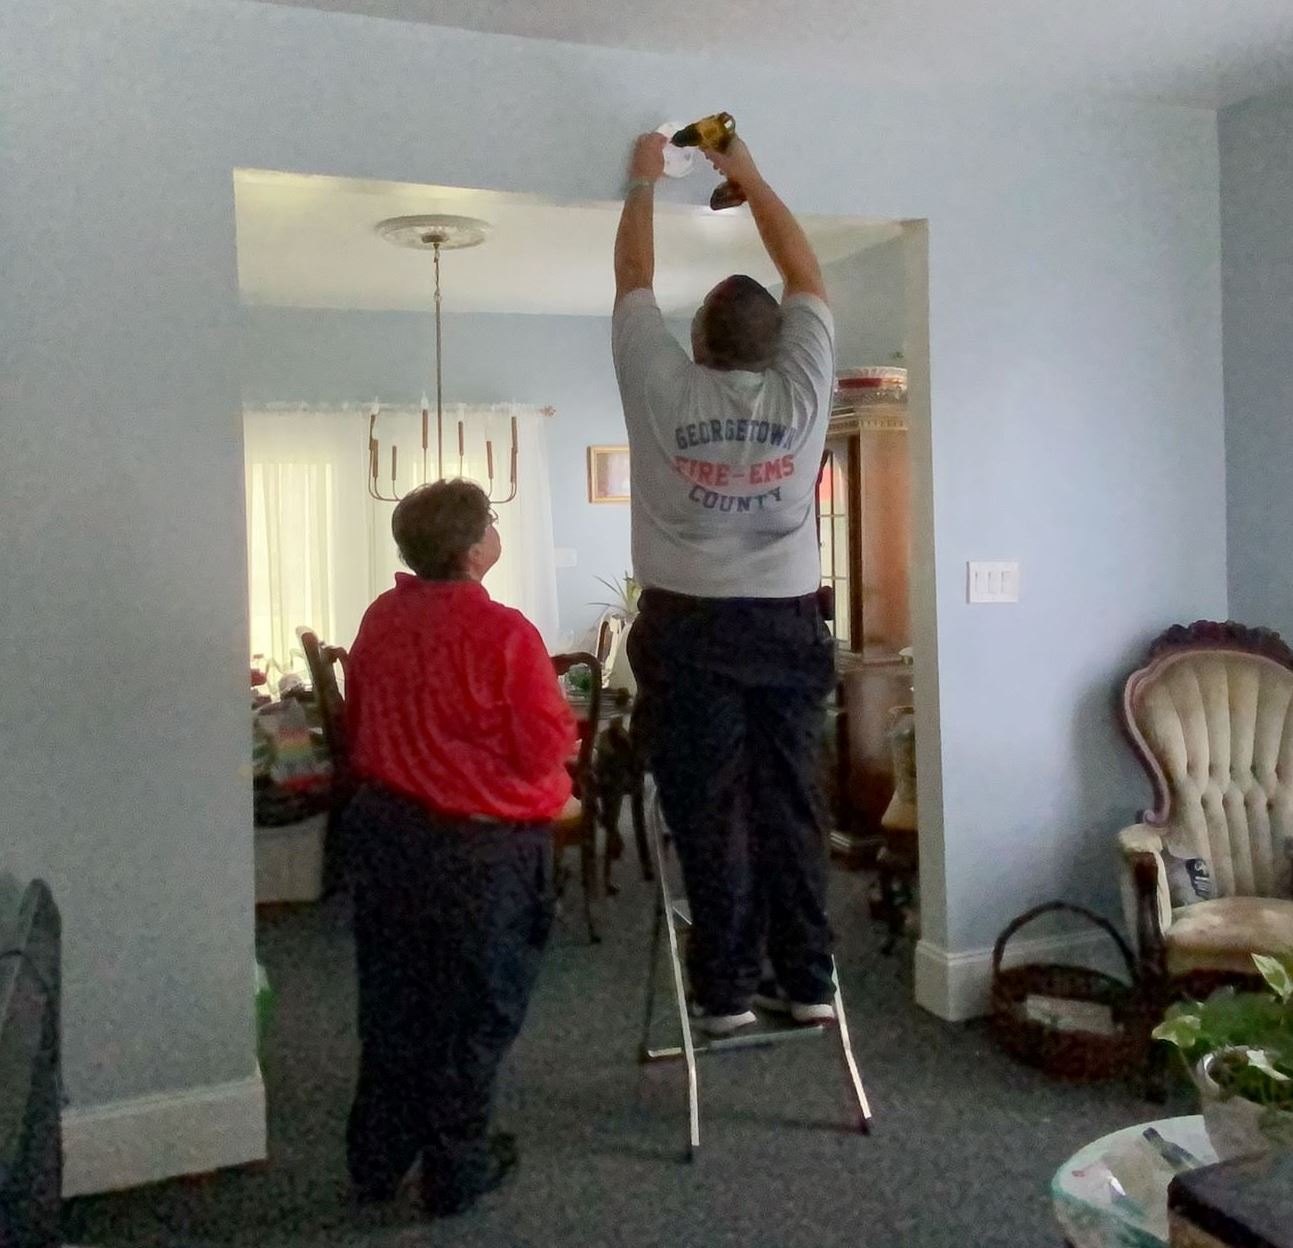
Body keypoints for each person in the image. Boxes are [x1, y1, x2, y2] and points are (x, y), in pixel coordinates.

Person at [612, 130, 838, 1036]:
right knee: (791, 800)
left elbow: (633, 276)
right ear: (779, 345)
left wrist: (641, 180)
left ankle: (725, 990)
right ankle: (809, 978)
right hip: (785, 623)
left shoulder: (663, 385)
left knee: (709, 807)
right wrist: (749, 177)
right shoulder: (805, 384)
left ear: (696, 345)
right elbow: (806, 272)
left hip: (690, 628)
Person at [342, 479, 576, 1215]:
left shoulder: (381, 616)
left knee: (393, 1004)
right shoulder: (505, 633)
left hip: (386, 841)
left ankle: (377, 1161)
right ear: (475, 548)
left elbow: (360, 718)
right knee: (474, 1015)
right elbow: (544, 746)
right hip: (481, 857)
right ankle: (453, 1170)